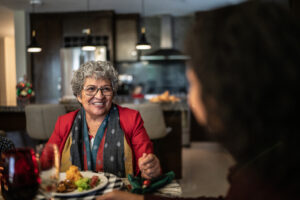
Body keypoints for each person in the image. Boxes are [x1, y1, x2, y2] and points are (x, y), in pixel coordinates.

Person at [97, 1, 300, 200]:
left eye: (194, 83)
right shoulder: (269, 169)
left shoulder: (264, 184)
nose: (192, 100)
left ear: (224, 94)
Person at [46, 61, 161, 179]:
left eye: (106, 89)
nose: (99, 96)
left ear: (113, 93)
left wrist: (150, 169)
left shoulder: (131, 119)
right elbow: (46, 164)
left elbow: (147, 164)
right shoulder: (64, 122)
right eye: (91, 89)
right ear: (79, 96)